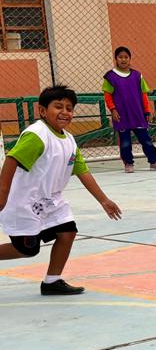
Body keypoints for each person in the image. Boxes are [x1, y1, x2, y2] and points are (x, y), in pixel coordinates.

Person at [0, 85, 122, 295]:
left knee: (67, 232)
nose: (65, 112)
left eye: (69, 108)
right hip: (25, 200)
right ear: (42, 111)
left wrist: (103, 200)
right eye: (58, 106)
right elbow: (11, 161)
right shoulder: (38, 135)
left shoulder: (69, 140)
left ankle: (52, 281)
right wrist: (2, 194)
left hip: (51, 201)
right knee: (26, 249)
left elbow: (82, 170)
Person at [102, 46, 156, 172]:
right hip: (121, 115)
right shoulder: (110, 76)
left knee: (146, 140)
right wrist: (113, 110)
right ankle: (128, 163)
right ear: (116, 59)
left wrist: (147, 111)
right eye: (120, 57)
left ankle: (154, 162)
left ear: (130, 59)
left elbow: (144, 94)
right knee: (125, 142)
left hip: (138, 114)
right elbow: (108, 96)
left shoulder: (137, 76)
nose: (123, 59)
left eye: (126, 57)